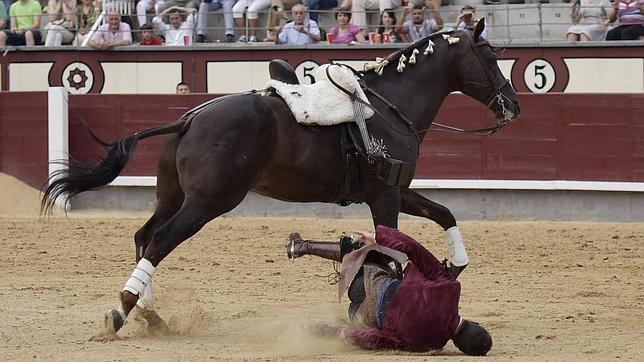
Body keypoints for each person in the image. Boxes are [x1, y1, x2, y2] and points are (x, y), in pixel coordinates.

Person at [286, 225, 491, 355]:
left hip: (368, 283)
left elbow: (413, 249)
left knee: (368, 253)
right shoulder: (428, 344)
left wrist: (377, 237)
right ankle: (324, 330)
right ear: (458, 346)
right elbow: (384, 340)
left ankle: (302, 246)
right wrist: (350, 335)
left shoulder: (450, 289)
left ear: (474, 323)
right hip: (361, 315)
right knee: (348, 327)